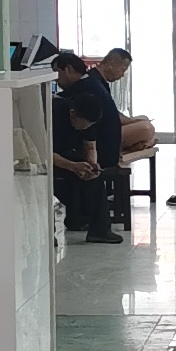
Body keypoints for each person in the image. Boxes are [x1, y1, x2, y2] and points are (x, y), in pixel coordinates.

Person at [51, 85, 121, 242]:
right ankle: (54, 231)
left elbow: (90, 147)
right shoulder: (54, 114)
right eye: (85, 124)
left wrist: (92, 165)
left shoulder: (88, 119)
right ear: (73, 114)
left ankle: (99, 230)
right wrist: (73, 166)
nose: (87, 128)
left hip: (68, 154)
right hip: (47, 157)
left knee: (95, 178)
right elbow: (44, 153)